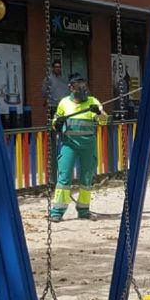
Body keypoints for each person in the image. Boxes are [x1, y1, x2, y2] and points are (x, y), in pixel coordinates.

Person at [50, 75, 106, 221]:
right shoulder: (64, 103)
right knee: (64, 178)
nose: (82, 89)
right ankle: (57, 212)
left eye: (83, 86)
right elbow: (55, 122)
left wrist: (99, 112)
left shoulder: (93, 102)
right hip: (69, 145)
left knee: (86, 179)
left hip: (88, 146)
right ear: (71, 87)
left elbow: (104, 121)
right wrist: (57, 122)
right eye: (78, 86)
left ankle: (83, 210)